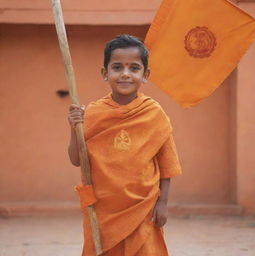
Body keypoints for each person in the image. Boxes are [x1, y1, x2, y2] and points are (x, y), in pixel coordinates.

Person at [67, 34, 182, 256]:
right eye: (117, 67)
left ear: (145, 75)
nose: (125, 74)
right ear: (105, 73)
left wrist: (163, 203)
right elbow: (76, 160)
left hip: (143, 207)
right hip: (103, 208)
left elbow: (167, 164)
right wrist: (74, 128)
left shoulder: (154, 114)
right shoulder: (92, 114)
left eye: (134, 68)